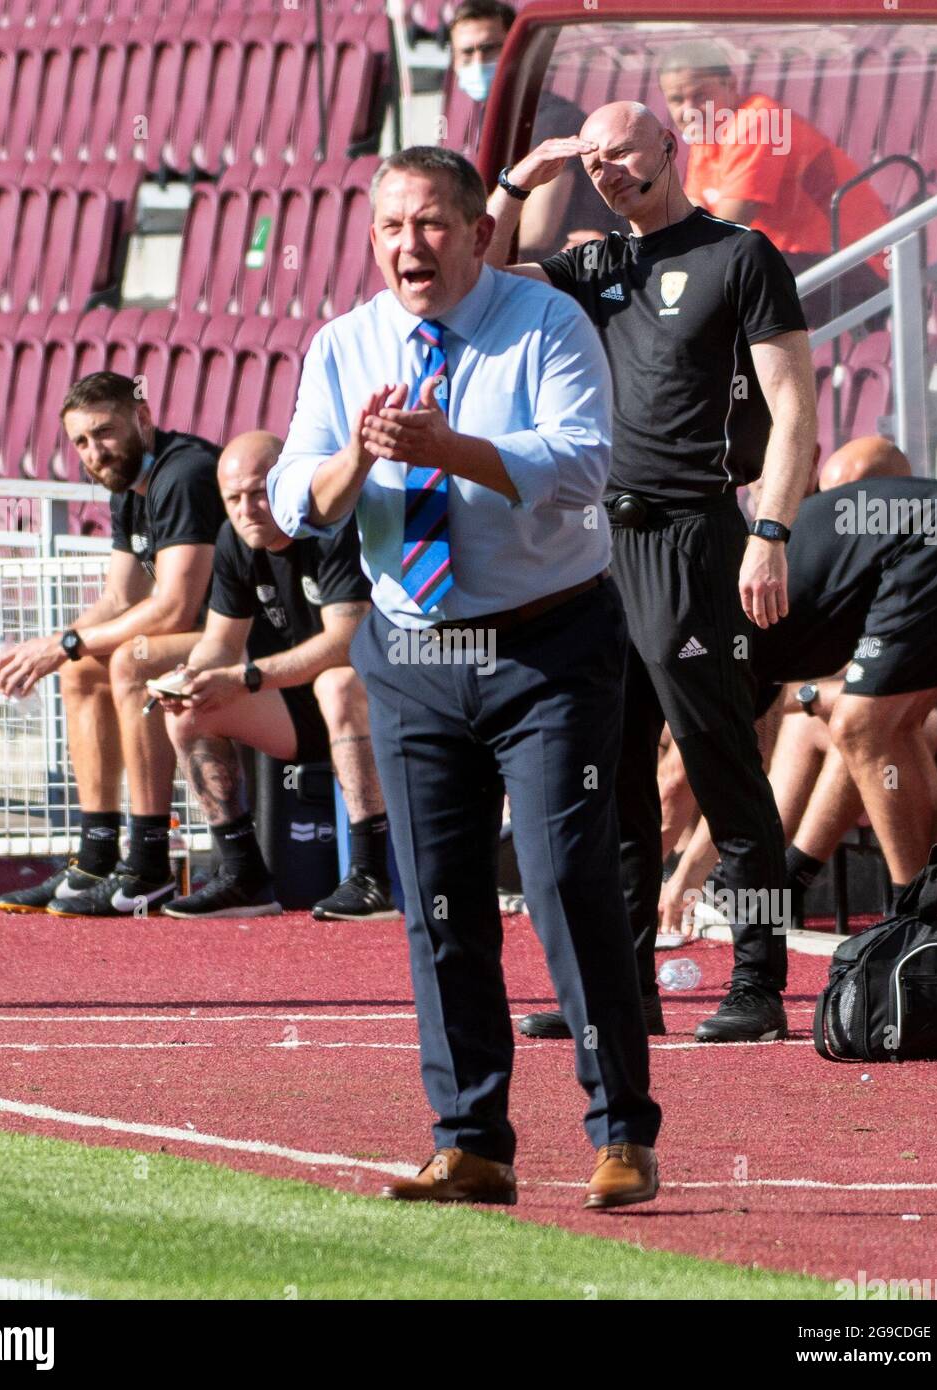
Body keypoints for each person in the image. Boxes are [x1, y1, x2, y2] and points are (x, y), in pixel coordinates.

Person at [268, 145, 661, 1209]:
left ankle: (620, 1128)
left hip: (547, 646)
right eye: (392, 227)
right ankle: (470, 1139)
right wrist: (359, 457)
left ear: (478, 231)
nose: (412, 246)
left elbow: (585, 466)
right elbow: (294, 497)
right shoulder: (343, 345)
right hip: (412, 651)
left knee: (564, 881)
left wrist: (452, 448)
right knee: (436, 901)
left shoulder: (545, 325)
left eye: (433, 224)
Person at [486, 99, 818, 1043]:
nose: (604, 169)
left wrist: (774, 533)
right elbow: (477, 281)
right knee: (610, 771)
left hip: (694, 537)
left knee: (720, 766)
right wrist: (521, 180)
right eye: (590, 157)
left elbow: (794, 408)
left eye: (622, 150)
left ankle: (758, 982)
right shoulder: (594, 264)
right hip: (597, 547)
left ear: (671, 146)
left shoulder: (738, 254)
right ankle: (626, 985)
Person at [659, 437, 937, 927]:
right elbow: (735, 773)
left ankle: (914, 922)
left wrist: (625, 897)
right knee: (864, 723)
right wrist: (685, 877)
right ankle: (918, 918)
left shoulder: (701, 626)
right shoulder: (740, 619)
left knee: (863, 723)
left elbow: (676, 787)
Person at [0, 372, 226, 918]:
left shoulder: (183, 473)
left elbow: (174, 607)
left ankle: (148, 863)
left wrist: (66, 642)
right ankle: (96, 855)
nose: (94, 452)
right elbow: (120, 598)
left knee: (130, 660)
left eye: (105, 433)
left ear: (142, 418)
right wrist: (54, 646)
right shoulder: (128, 484)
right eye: (81, 442)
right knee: (80, 669)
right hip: (206, 638)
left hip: (252, 639)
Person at [154, 431, 394, 921]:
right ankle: (244, 876)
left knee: (338, 682)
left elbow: (345, 641)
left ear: (287, 482)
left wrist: (246, 678)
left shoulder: (330, 524)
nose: (247, 509)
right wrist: (190, 677)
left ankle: (372, 877)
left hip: (383, 698)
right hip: (295, 703)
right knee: (188, 714)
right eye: (234, 498)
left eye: (259, 492)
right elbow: (219, 641)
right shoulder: (235, 539)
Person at [657, 40, 890, 326]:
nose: (688, 110)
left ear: (730, 85)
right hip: (795, 264)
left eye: (700, 95)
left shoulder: (759, 120)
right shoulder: (707, 130)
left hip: (855, 266)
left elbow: (726, 229)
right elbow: (693, 214)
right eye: (677, 100)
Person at [447, 0, 616, 257]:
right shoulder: (493, 117)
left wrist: (455, 245)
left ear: (519, 52)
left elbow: (536, 232)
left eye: (490, 49)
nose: (478, 61)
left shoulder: (556, 120)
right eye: (467, 53)